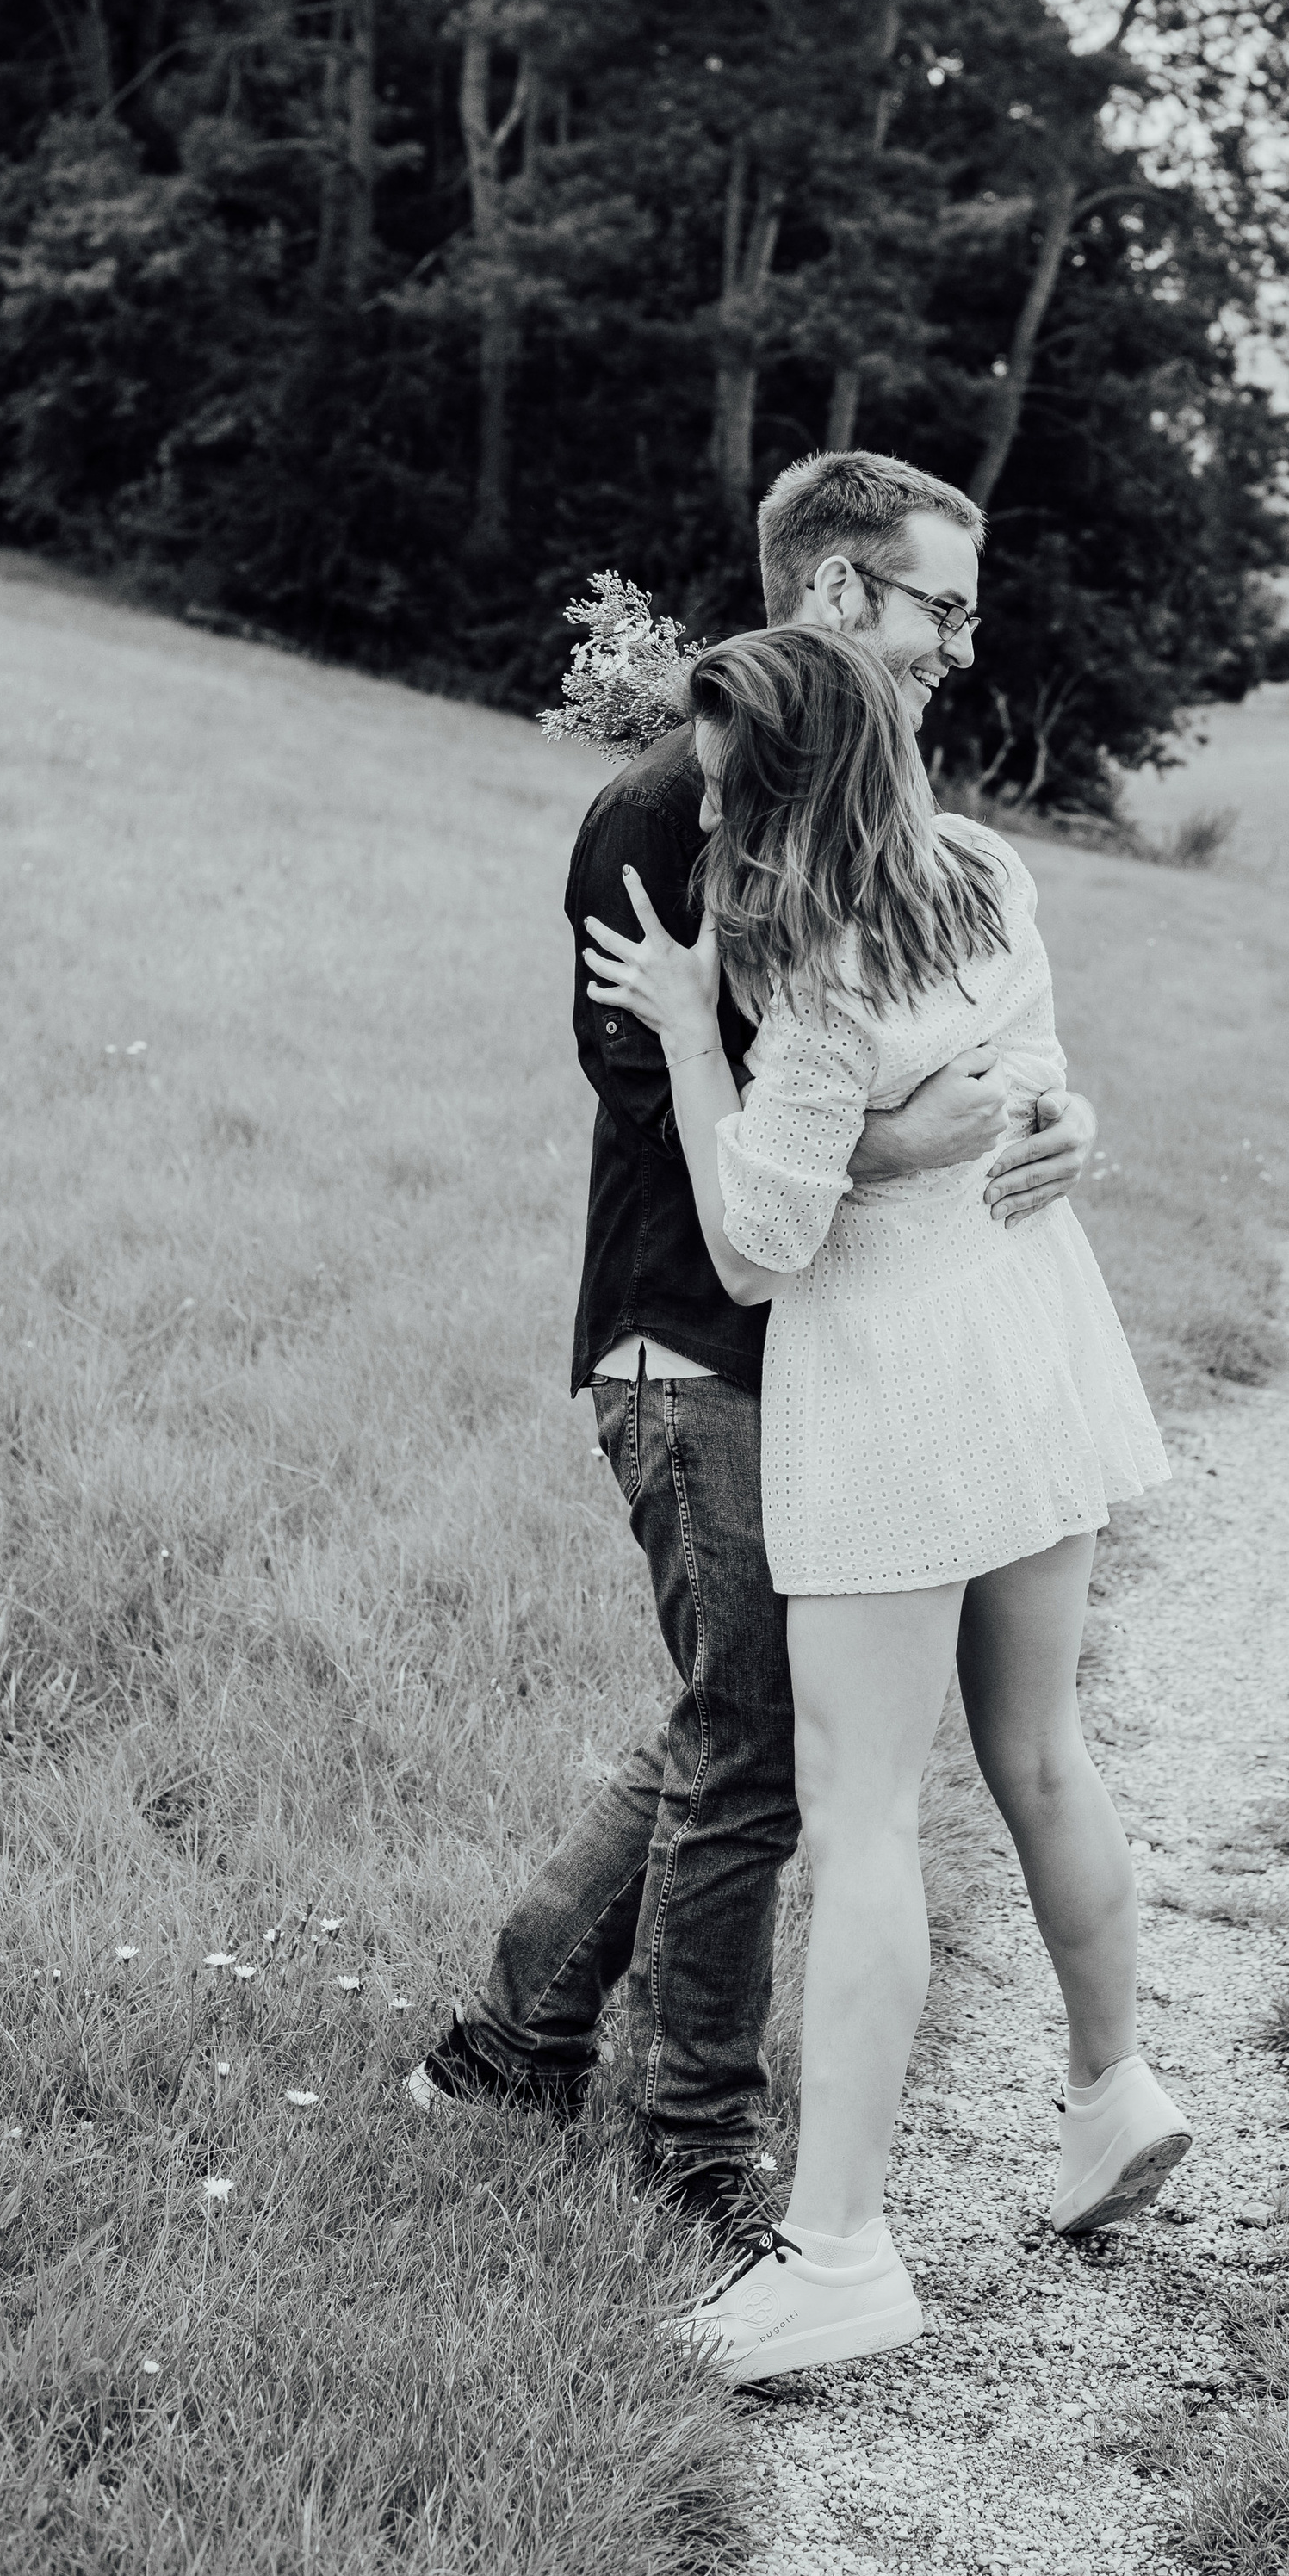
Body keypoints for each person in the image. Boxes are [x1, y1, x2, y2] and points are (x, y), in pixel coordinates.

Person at [406, 454, 1099, 2252]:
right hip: (694, 1332)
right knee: (757, 1739)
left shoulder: (869, 790)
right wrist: (901, 1142)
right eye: (940, 606)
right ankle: (693, 2137)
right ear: (841, 592)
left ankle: (516, 2040)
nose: (961, 644)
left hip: (814, 1335)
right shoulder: (664, 806)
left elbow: (964, 1020)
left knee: (743, 1719)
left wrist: (1048, 1117)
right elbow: (655, 1088)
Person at [582, 626, 1187, 2386]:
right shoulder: (982, 870)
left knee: (859, 1817)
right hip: (1029, 1334)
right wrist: (1008, 1117)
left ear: (784, 789)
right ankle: (1111, 2087)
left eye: (722, 790)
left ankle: (838, 2250)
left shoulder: (813, 969)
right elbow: (1037, 1076)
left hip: (896, 1386)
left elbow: (752, 1251)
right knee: (1043, 1748)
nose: (702, 816)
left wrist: (693, 1034)